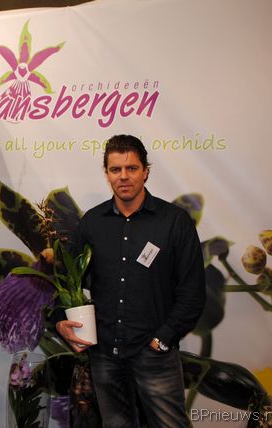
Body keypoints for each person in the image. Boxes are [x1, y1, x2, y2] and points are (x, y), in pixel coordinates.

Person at [56, 135, 206, 428]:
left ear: (146, 171)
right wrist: (60, 319)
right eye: (115, 169)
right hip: (105, 354)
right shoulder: (92, 222)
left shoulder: (175, 221)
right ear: (107, 174)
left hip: (155, 354)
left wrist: (162, 339)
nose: (123, 176)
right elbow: (68, 281)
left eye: (132, 168)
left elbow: (193, 292)